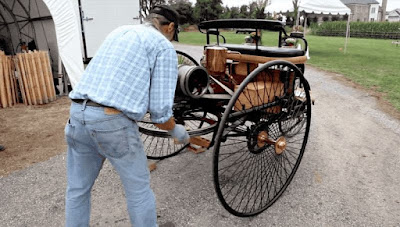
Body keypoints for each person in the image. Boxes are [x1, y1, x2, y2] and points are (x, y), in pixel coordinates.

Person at [64, 5, 189, 227]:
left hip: (77, 114)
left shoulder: (119, 31)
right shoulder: (163, 47)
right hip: (111, 122)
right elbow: (160, 115)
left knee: (77, 190)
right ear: (170, 27)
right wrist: (177, 131)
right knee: (139, 191)